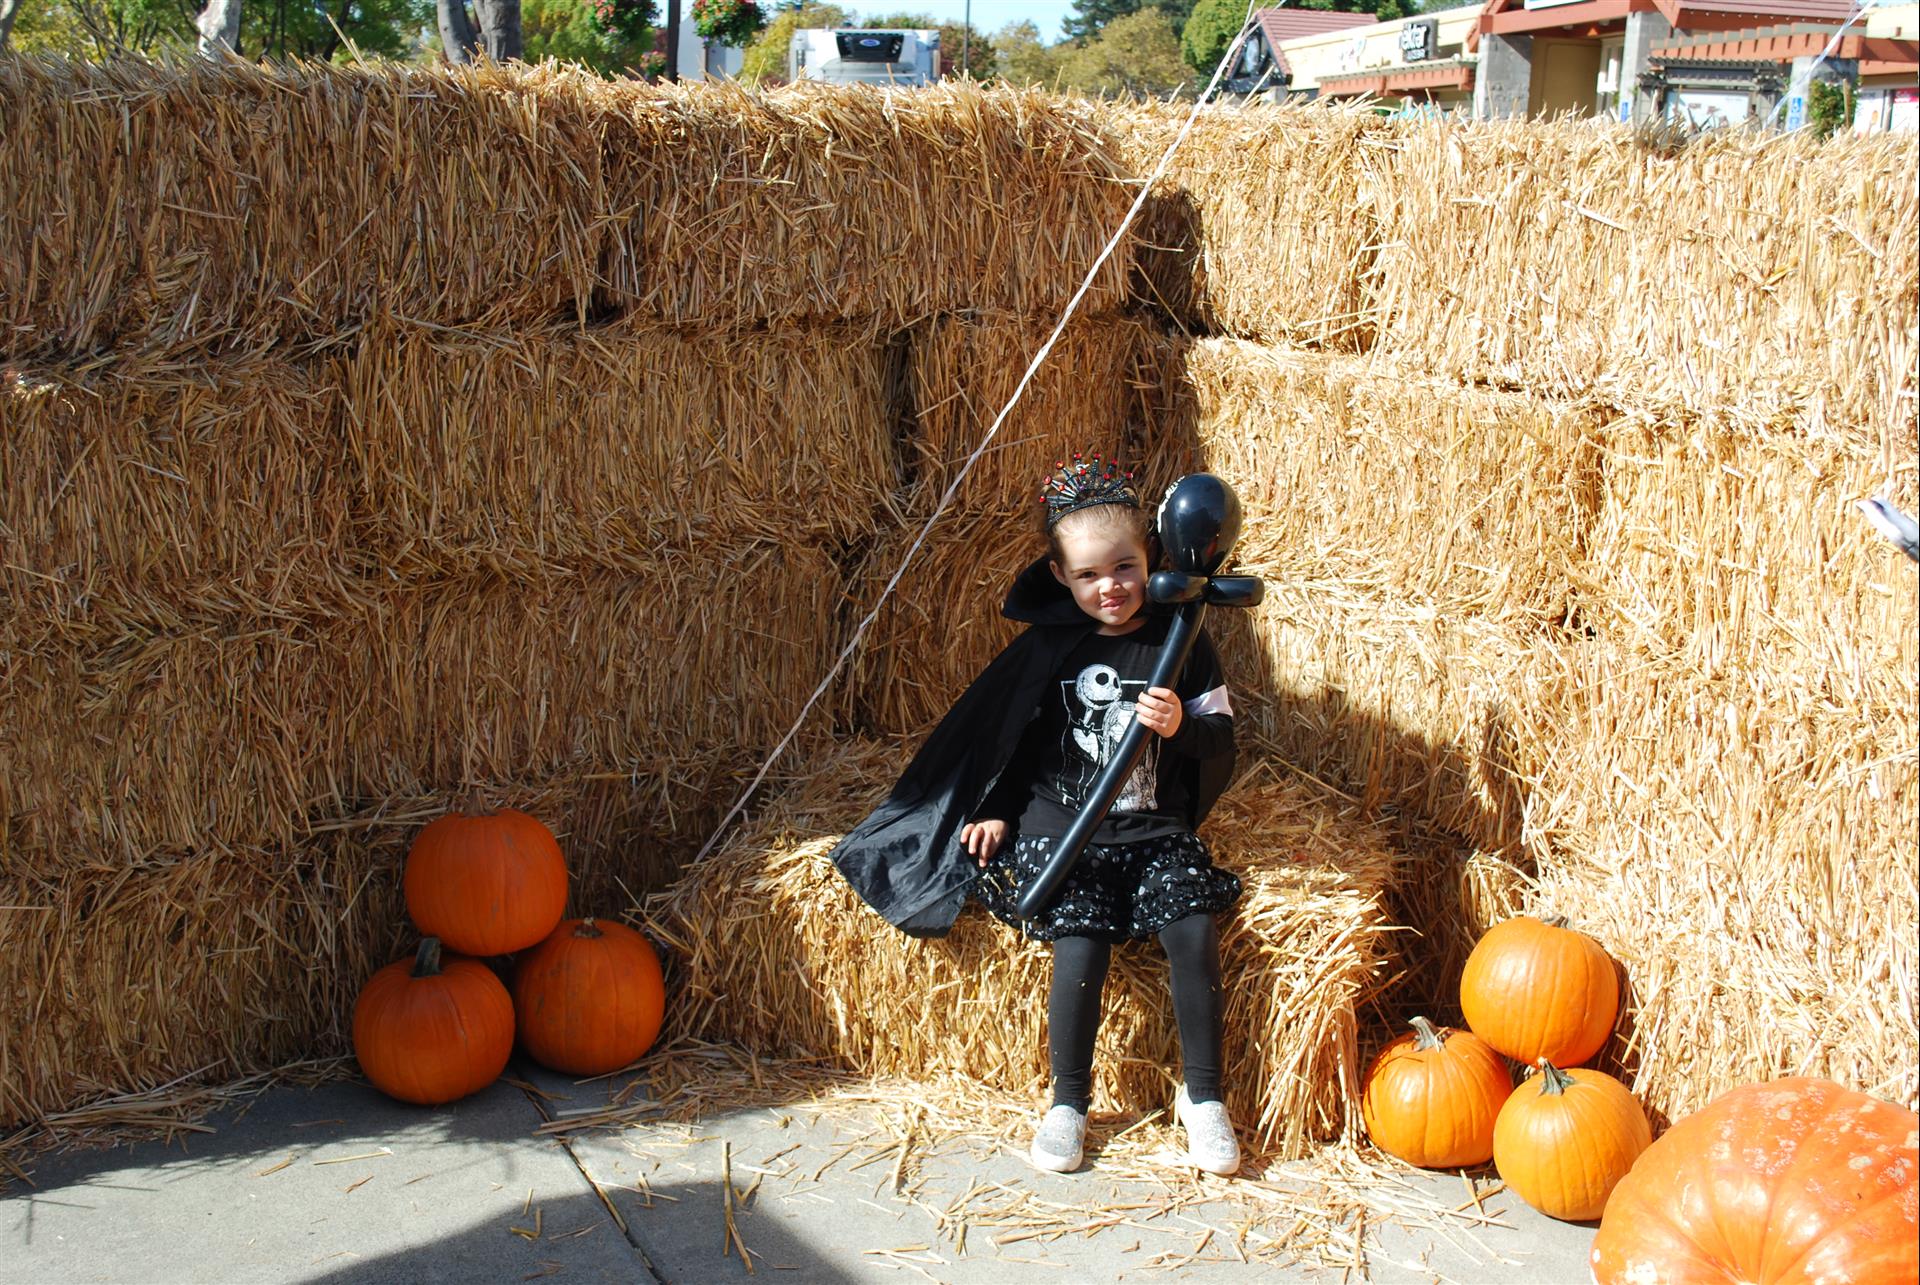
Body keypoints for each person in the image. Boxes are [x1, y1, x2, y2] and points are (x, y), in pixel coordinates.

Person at [829, 452, 1243, 1176]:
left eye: (1122, 566)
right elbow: (1013, 744)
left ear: (1150, 554)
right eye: (1087, 575)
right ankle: (1069, 1102)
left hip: (1154, 832)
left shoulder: (1186, 642)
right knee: (1079, 940)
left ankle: (1204, 1097)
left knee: (1192, 925)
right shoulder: (1052, 651)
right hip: (1067, 839)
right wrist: (993, 809)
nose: (1108, 586)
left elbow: (1222, 739)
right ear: (1060, 577)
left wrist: (1181, 725)